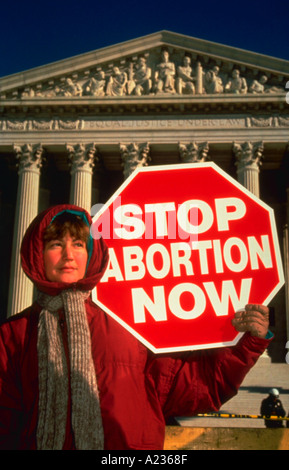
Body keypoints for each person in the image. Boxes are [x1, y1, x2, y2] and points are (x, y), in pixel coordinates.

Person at [0, 204, 272, 450]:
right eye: (56, 244)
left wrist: (246, 344)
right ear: (38, 252)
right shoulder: (13, 334)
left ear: (93, 253)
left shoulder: (129, 322)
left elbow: (192, 387)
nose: (69, 255)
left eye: (80, 244)